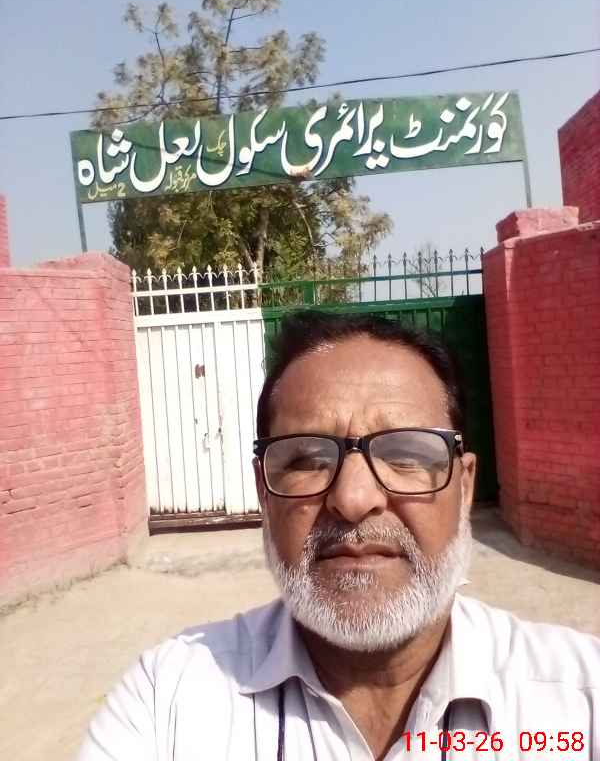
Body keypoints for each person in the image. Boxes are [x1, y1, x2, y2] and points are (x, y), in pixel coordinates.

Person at [77, 311, 599, 761]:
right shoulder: (167, 704)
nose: (352, 498)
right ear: (264, 493)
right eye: (307, 459)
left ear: (463, 488)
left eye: (405, 454)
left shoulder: (580, 699)